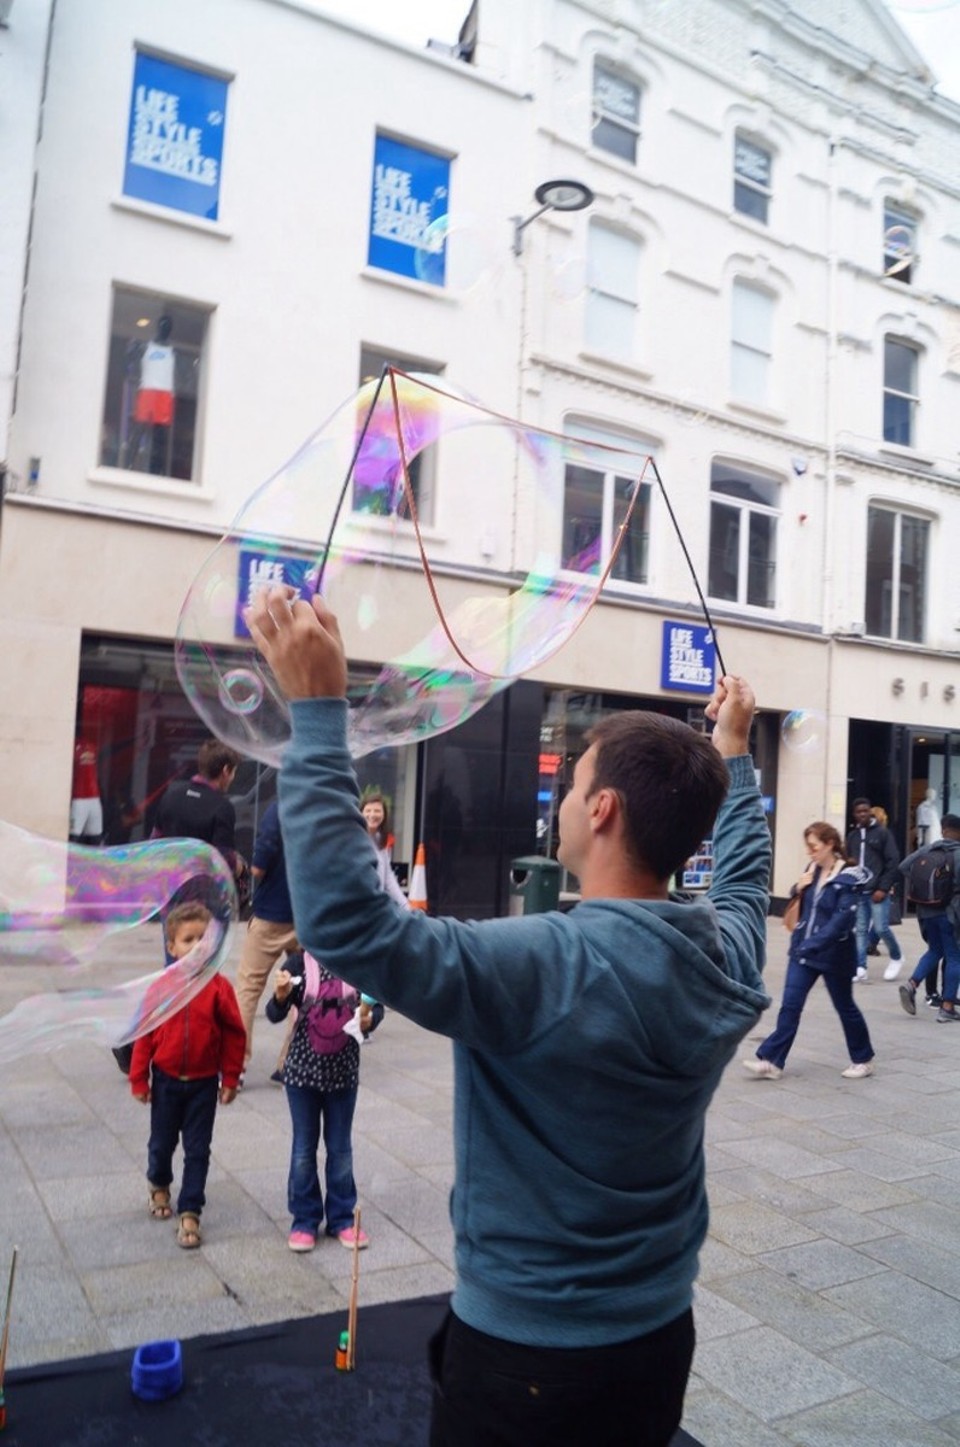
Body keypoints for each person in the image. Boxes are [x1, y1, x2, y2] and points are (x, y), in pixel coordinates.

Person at [246, 583, 770, 1447]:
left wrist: (316, 711)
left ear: (601, 810)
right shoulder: (725, 954)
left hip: (525, 1356)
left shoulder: (537, 965)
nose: (563, 797)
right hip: (658, 1336)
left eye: (574, 783)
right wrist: (736, 753)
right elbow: (746, 879)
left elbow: (345, 925)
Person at [129, 902, 245, 1249]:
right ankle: (159, 1184)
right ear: (171, 947)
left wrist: (230, 1078)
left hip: (203, 1084)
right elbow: (145, 1033)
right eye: (187, 939)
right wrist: (139, 1078)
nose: (196, 946)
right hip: (165, 1082)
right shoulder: (161, 988)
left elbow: (234, 1034)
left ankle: (191, 1210)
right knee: (161, 1144)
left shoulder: (218, 988)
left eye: (202, 939)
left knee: (198, 1150)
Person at [267, 949, 383, 1253]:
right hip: (301, 1077)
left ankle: (342, 1218)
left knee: (340, 1148)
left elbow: (375, 1008)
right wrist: (281, 995)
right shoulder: (297, 965)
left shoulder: (357, 963)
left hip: (343, 1076)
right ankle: (304, 1219)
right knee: (303, 1149)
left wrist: (369, 1019)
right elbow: (273, 1013)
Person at [743, 823, 875, 1081]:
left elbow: (841, 921)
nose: (809, 852)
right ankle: (772, 1061)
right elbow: (802, 904)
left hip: (834, 954)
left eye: (814, 846)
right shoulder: (811, 870)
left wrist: (813, 943)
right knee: (790, 1006)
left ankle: (863, 1059)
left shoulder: (848, 877)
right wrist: (797, 888)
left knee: (845, 1006)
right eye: (808, 847)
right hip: (803, 951)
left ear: (830, 844)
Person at [233, 798, 299, 1084]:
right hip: (307, 917)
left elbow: (259, 866)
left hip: (271, 914)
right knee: (306, 987)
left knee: (248, 988)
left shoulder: (280, 808)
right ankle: (291, 1062)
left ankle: (236, 1066)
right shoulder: (322, 805)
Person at [897, 813, 960, 1023]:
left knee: (935, 950)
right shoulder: (958, 853)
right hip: (950, 914)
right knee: (954, 956)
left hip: (926, 912)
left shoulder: (928, 849)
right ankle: (948, 1007)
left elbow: (904, 867)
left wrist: (925, 887)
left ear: (943, 830)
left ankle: (912, 984)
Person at [845, 796, 903, 983]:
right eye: (859, 811)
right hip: (859, 891)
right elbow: (849, 861)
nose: (862, 814)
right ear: (854, 814)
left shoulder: (882, 833)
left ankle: (896, 956)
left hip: (877, 891)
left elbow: (893, 861)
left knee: (881, 928)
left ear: (870, 811)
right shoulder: (852, 836)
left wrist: (884, 887)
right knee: (860, 930)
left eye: (865, 810)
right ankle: (860, 966)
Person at [360, 788, 410, 906]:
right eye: (368, 810)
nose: (372, 815)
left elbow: (388, 878)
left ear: (384, 814)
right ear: (361, 812)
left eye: (377, 811)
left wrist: (406, 906)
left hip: (377, 906)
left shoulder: (381, 840)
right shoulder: (355, 838)